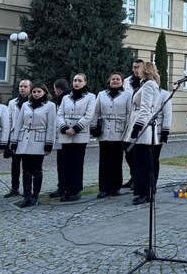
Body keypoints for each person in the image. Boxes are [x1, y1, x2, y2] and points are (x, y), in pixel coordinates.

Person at [11, 82, 57, 208]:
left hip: (39, 140)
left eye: (39, 92)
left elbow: (51, 126)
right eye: (34, 92)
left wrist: (49, 143)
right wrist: (14, 142)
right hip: (25, 140)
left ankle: (35, 196)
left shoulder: (50, 106)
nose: (36, 94)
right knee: (26, 170)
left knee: (36, 170)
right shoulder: (26, 105)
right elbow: (19, 124)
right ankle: (27, 196)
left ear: (44, 93)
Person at [56, 74, 95, 202]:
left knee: (77, 164)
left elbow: (89, 115)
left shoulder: (90, 97)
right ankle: (65, 190)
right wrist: (63, 127)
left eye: (79, 81)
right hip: (66, 134)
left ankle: (75, 190)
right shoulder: (66, 97)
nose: (76, 83)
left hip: (80, 134)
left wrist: (76, 128)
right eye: (74, 80)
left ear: (85, 82)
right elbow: (60, 114)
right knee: (65, 163)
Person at [127, 62, 161, 205]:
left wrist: (137, 127)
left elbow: (145, 108)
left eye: (139, 68)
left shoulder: (148, 85)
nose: (137, 71)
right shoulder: (147, 84)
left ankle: (144, 192)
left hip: (143, 128)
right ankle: (143, 191)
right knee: (139, 161)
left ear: (145, 70)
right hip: (142, 126)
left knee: (143, 163)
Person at [93, 72, 132, 198]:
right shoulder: (101, 94)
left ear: (122, 81)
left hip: (119, 131)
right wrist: (94, 127)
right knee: (104, 161)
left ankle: (115, 187)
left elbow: (130, 114)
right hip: (104, 131)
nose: (115, 81)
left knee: (116, 160)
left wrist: (128, 132)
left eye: (118, 79)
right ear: (109, 81)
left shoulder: (128, 95)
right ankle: (104, 188)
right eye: (113, 79)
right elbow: (96, 111)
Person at [4, 79, 31, 199]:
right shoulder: (12, 103)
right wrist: (8, 139)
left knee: (27, 164)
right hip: (14, 135)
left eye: (25, 86)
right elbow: (8, 120)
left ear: (30, 88)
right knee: (15, 164)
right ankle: (14, 187)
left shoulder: (32, 102)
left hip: (28, 136)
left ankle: (27, 189)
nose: (22, 88)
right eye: (21, 86)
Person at [121, 59, 144, 190]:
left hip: (139, 121)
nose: (136, 70)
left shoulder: (146, 82)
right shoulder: (127, 82)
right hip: (128, 121)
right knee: (128, 153)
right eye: (134, 67)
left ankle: (138, 179)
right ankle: (133, 176)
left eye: (138, 67)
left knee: (138, 153)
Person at [49, 78, 69, 198]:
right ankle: (62, 186)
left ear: (58, 88)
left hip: (64, 133)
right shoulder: (62, 99)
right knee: (61, 162)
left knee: (62, 163)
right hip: (61, 134)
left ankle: (62, 186)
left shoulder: (63, 99)